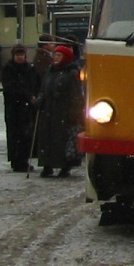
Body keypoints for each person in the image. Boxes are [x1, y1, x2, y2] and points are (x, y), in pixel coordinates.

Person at [34, 45, 84, 178]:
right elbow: (44, 88)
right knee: (47, 138)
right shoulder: (50, 71)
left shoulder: (72, 73)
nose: (56, 58)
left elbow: (76, 95)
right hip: (49, 110)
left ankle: (64, 166)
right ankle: (47, 165)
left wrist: (75, 112)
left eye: (59, 56)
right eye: (55, 55)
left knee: (62, 139)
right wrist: (40, 100)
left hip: (64, 111)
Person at [0, 44, 40, 173]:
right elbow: (10, 88)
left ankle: (23, 160)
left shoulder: (30, 69)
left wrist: (34, 96)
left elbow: (35, 84)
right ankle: (16, 161)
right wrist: (27, 95)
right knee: (15, 134)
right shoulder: (8, 69)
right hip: (14, 107)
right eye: (17, 55)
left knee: (25, 135)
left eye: (21, 55)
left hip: (26, 108)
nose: (20, 57)